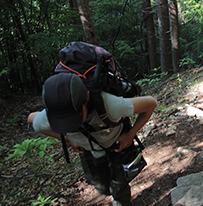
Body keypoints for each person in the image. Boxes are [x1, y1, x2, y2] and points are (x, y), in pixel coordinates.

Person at [27, 73, 157, 206]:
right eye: (63, 122)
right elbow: (31, 120)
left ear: (87, 97)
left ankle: (120, 199)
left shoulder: (110, 105)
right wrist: (68, 140)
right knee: (103, 188)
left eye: (74, 117)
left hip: (116, 147)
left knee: (119, 186)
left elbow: (151, 103)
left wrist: (130, 134)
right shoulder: (51, 116)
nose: (70, 124)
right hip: (88, 151)